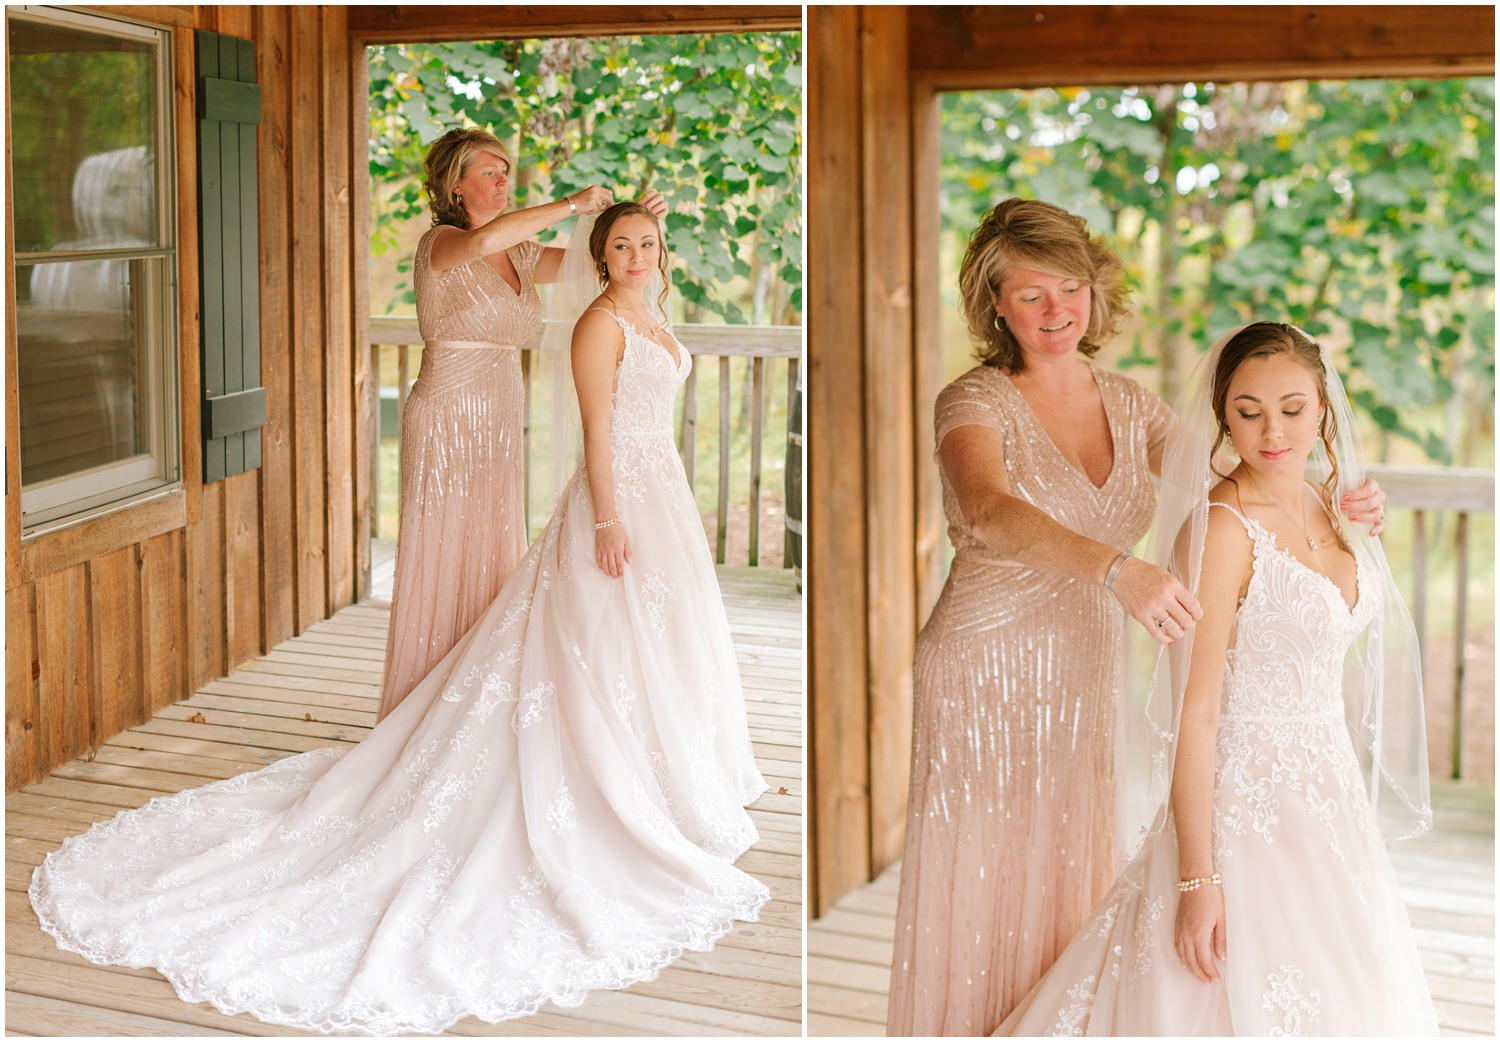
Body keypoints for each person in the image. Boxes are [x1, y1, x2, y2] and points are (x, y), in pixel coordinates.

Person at [29, 202, 769, 1036]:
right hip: (618, 500)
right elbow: (598, 431)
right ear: (603, 262)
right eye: (621, 246)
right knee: (590, 643)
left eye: (647, 244)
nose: (636, 255)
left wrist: (622, 219)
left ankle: (660, 774)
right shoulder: (598, 324)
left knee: (657, 645)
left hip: (661, 488)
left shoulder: (652, 311)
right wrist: (607, 519)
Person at [885, 200, 1388, 1036]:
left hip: (1083, 670)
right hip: (986, 662)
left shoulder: (1127, 402)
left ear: (1095, 292)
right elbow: (984, 510)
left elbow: (1242, 463)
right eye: (1032, 294)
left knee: (1067, 876)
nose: (1057, 311)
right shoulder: (972, 400)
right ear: (996, 304)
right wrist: (1118, 568)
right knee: (982, 875)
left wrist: (1338, 497)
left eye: (1071, 289)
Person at [995, 322, 1436, 1036]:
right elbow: (1194, 716)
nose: (1273, 432)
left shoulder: (1334, 506)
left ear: (1323, 407)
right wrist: (1198, 882)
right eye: (1248, 411)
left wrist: (1365, 515)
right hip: (1242, 807)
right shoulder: (1221, 532)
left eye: (1293, 408)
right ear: (1223, 417)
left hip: (1327, 795)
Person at [378, 127, 665, 720]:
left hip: (503, 412)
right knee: (444, 550)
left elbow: (604, 269)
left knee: (492, 554)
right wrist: (570, 205)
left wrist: (634, 227)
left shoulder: (524, 253)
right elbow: (485, 245)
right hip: (448, 413)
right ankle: (420, 708)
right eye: (489, 171)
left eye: (506, 169)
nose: (504, 179)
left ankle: (474, 704)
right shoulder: (443, 243)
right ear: (455, 186)